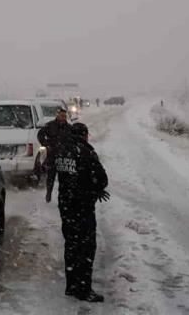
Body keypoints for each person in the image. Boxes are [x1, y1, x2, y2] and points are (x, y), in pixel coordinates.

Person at [51, 122, 109, 302]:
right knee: (86, 247)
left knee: (71, 244)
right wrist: (95, 189)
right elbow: (101, 179)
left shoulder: (61, 151)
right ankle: (84, 289)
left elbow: (57, 174)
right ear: (84, 135)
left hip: (66, 205)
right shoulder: (86, 152)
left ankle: (71, 285)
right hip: (82, 206)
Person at [38, 106, 72, 190]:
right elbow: (40, 135)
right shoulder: (50, 125)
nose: (63, 118)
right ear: (57, 116)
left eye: (64, 116)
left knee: (63, 178)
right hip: (52, 155)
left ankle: (62, 195)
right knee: (51, 176)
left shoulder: (69, 128)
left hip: (64, 156)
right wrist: (46, 145)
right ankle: (48, 192)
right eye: (61, 116)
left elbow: (74, 139)